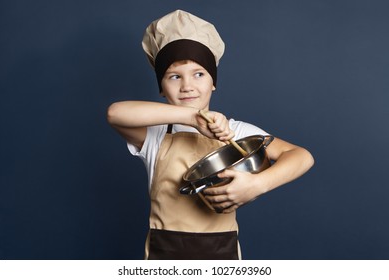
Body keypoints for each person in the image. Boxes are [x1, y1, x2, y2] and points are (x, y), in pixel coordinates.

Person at [107, 9, 314, 260]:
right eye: (174, 77)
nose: (187, 86)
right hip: (163, 257)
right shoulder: (155, 134)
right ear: (161, 87)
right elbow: (115, 113)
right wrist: (192, 118)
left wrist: (258, 185)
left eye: (199, 74)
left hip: (222, 255)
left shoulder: (236, 131)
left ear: (213, 81)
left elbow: (302, 156)